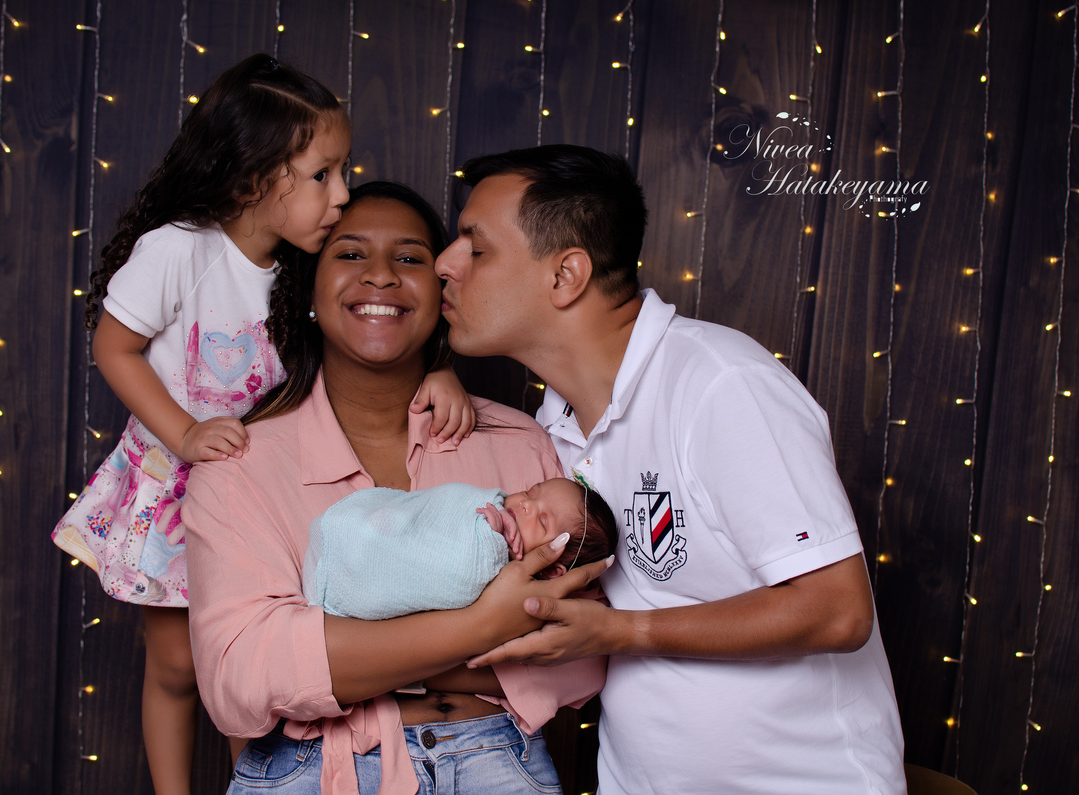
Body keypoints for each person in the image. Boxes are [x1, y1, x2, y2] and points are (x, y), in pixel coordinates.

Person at [49, 57, 474, 795]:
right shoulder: (179, 249)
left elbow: (364, 347)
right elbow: (112, 348)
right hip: (173, 486)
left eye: (344, 172)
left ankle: (265, 783)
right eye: (323, 175)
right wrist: (185, 433)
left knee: (255, 670)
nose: (342, 196)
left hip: (259, 495)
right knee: (178, 665)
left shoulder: (300, 269)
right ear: (253, 180)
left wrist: (438, 369)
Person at [434, 145, 907, 795]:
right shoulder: (552, 425)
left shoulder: (720, 385)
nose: (445, 263)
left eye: (476, 247)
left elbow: (838, 611)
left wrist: (622, 631)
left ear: (566, 275)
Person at [181, 180, 609, 795]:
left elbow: (585, 657)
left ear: (443, 289)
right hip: (316, 770)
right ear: (308, 288)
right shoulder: (238, 464)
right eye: (351, 253)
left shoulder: (518, 443)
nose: (380, 275)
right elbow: (242, 678)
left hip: (499, 762)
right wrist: (486, 626)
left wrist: (352, 659)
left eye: (409, 257)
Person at [303, 478, 617, 620]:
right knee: (383, 527)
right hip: (352, 533)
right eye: (531, 492)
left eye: (542, 520)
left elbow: (459, 577)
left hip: (346, 581)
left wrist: (489, 544)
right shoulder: (495, 508)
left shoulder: (515, 598)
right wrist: (487, 521)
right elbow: (446, 505)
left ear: (551, 570)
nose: (525, 504)